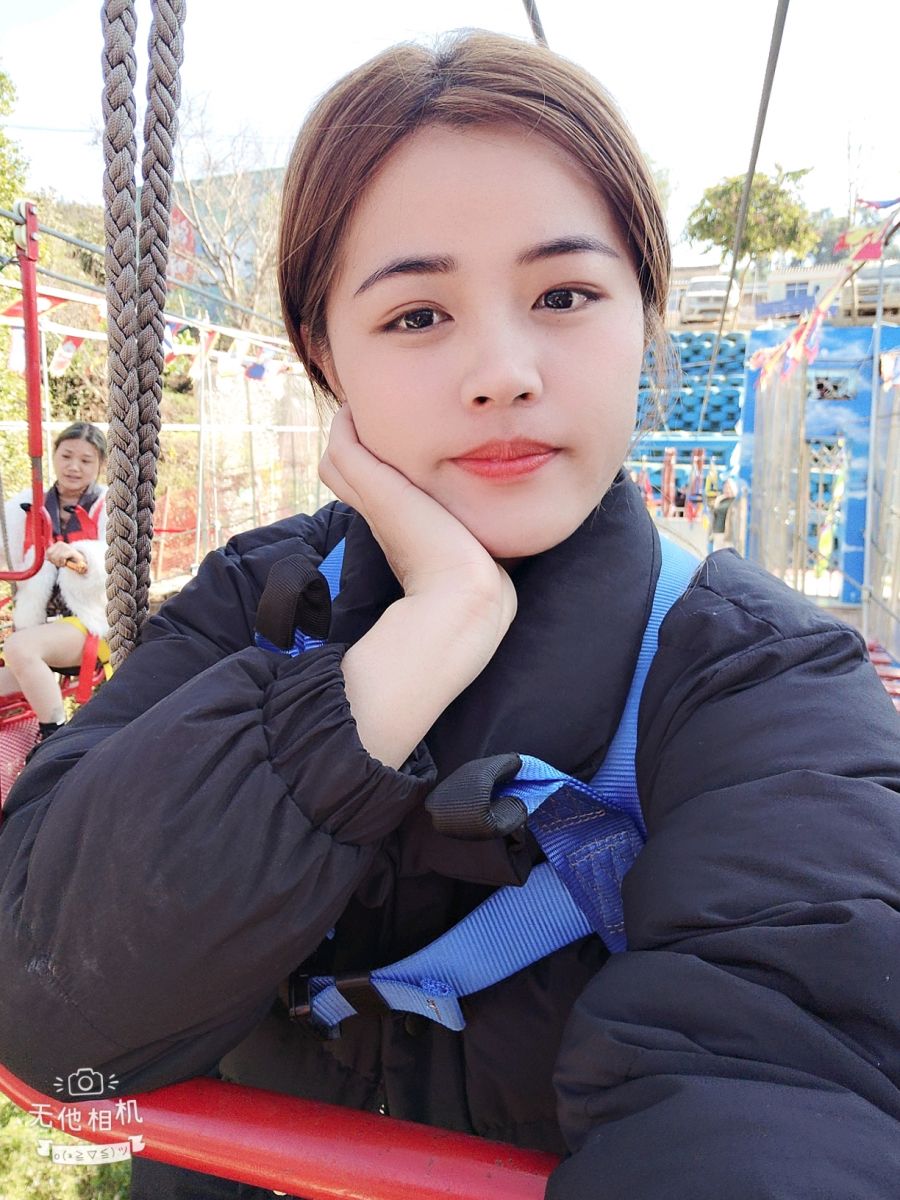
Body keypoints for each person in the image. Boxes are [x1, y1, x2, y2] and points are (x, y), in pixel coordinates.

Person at [1, 32, 899, 1200]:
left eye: (565, 296)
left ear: (644, 316)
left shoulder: (769, 686)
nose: (503, 371)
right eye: (418, 315)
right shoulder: (251, 601)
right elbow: (50, 1008)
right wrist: (407, 657)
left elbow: (791, 1091)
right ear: (325, 355)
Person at [0, 422, 108, 741]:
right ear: (54, 456)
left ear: (100, 465)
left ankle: (54, 736)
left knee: (18, 646)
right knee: (20, 650)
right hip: (37, 628)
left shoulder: (110, 507)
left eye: (86, 460)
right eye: (67, 456)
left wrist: (81, 556)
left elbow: (119, 562)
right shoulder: (25, 506)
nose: (74, 467)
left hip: (89, 622)